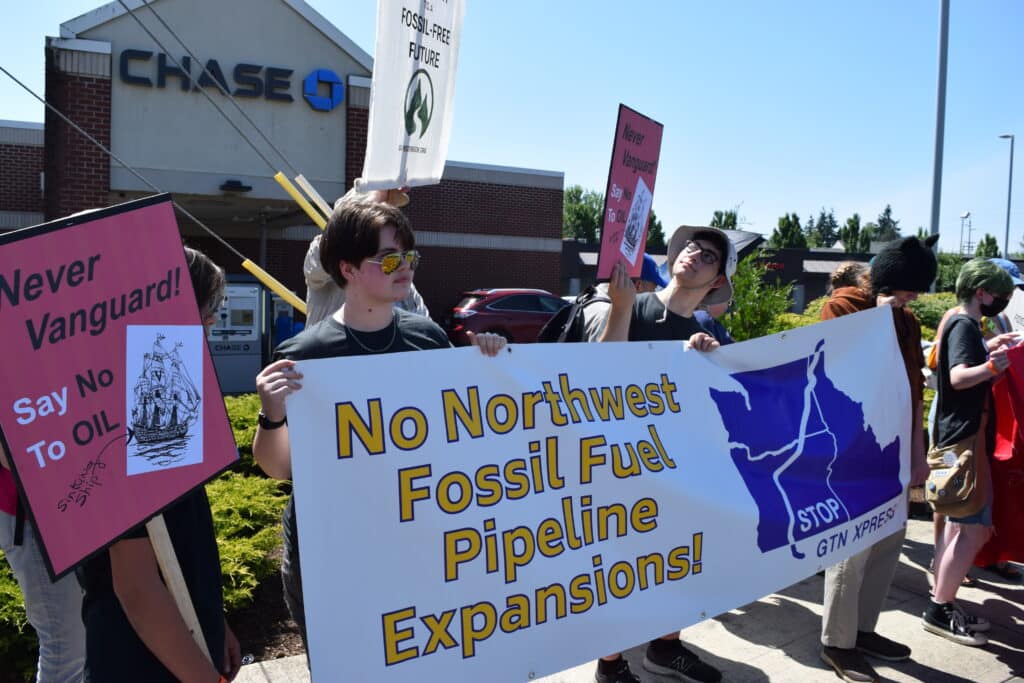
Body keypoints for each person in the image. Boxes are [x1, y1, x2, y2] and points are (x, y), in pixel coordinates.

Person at [253, 199, 505, 658]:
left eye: (408, 256)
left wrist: (489, 360)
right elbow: (278, 468)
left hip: (413, 543)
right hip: (329, 553)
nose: (403, 267)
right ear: (347, 268)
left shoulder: (428, 340)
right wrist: (271, 413)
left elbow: (462, 433)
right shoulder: (304, 355)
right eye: (389, 258)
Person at [76, 247, 241, 682]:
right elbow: (136, 588)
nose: (211, 321)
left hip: (180, 645)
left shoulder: (165, 396)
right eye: (207, 307)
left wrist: (212, 622)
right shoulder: (117, 421)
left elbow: (183, 544)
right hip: (137, 662)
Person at [593, 225, 736, 683]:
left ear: (717, 281)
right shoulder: (629, 306)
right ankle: (610, 664)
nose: (695, 254)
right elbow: (598, 379)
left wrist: (708, 363)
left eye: (709, 255)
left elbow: (725, 407)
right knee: (617, 569)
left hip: (676, 471)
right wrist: (619, 310)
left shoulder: (709, 335)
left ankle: (665, 646)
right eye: (692, 246)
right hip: (616, 467)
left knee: (678, 562)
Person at [818, 235, 936, 683]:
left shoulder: (906, 320)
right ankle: (837, 641)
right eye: (909, 288)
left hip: (896, 448)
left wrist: (918, 453)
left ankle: (862, 630)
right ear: (888, 278)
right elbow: (838, 373)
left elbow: (913, 387)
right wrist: (878, 321)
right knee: (853, 548)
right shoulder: (843, 306)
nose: (914, 298)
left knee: (889, 539)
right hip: (854, 448)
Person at [924, 258, 1014, 646]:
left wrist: (988, 348)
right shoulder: (963, 323)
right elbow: (959, 377)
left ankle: (941, 603)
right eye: (998, 293)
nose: (1001, 300)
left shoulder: (963, 323)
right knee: (970, 528)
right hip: (964, 438)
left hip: (958, 436)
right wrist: (993, 366)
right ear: (982, 292)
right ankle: (940, 608)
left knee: (964, 525)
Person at [1, 443, 86, 683]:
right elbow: (11, 457)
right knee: (65, 644)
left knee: (92, 631)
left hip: (79, 503)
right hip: (29, 516)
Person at [303, 188, 429, 326]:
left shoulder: (402, 284)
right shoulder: (328, 259)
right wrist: (374, 196)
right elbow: (325, 254)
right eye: (374, 209)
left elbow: (427, 334)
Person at [973, 258, 1024, 580]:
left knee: (1000, 488)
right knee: (971, 493)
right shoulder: (968, 319)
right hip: (986, 410)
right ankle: (958, 562)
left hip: (1002, 409)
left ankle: (995, 554)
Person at [583, 253, 668, 341]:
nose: (654, 293)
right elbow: (605, 353)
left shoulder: (592, 294)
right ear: (638, 285)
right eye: (653, 289)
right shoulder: (611, 314)